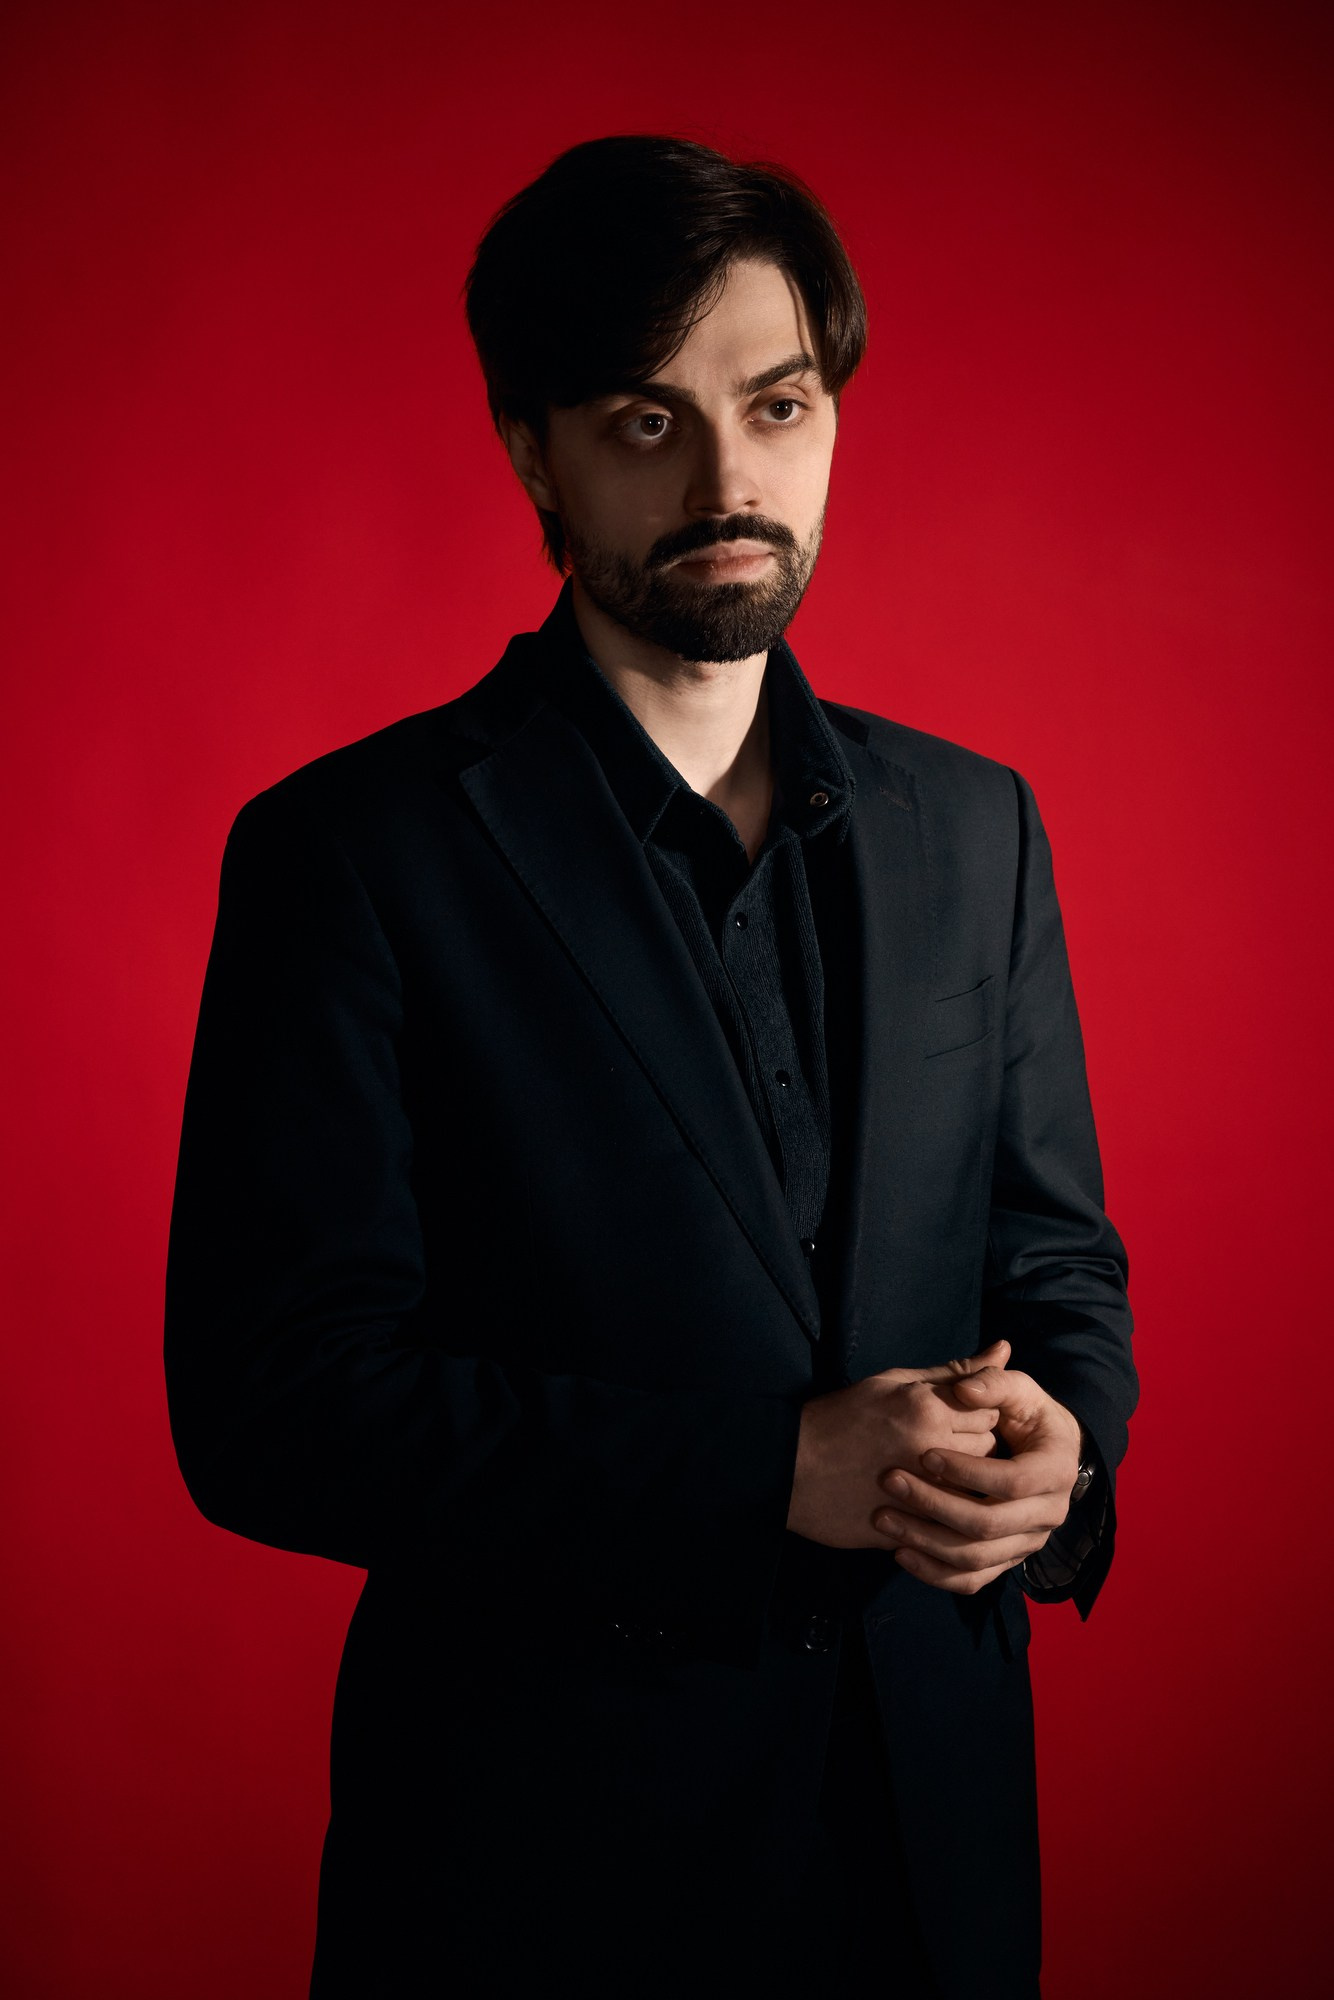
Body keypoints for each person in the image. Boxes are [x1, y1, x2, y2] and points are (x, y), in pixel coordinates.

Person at [164, 134, 1137, 1999]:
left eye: (777, 405)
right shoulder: (351, 851)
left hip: (933, 1856)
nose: (726, 481)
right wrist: (766, 1473)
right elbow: (272, 1405)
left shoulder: (976, 826)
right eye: (642, 420)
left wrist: (1063, 1454)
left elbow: (1055, 1262)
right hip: (540, 1880)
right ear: (532, 453)